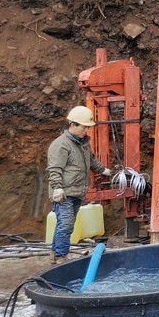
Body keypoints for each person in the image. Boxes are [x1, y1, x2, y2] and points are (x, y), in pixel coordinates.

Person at [46, 105, 111, 264]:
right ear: (73, 124)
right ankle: (61, 257)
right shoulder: (61, 144)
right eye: (84, 127)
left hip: (76, 192)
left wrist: (105, 171)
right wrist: (57, 187)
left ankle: (55, 254)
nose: (86, 131)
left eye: (88, 128)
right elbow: (54, 168)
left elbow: (92, 162)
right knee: (66, 225)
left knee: (65, 224)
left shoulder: (83, 144)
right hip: (63, 193)